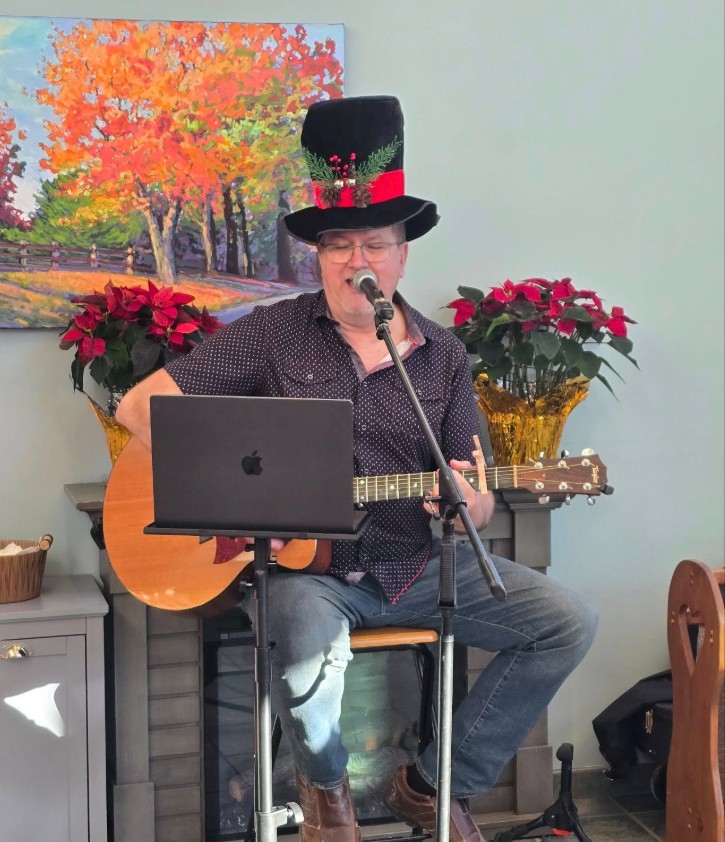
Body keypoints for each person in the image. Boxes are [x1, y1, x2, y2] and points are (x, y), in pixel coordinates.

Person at [116, 95, 597, 842]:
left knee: (566, 621)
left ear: (402, 254)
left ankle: (432, 784)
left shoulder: (443, 355)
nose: (355, 261)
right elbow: (138, 408)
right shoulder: (272, 333)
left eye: (373, 243)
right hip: (306, 574)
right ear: (319, 257)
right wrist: (239, 499)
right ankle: (328, 795)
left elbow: (475, 494)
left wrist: (465, 504)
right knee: (302, 636)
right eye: (337, 245)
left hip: (415, 565)